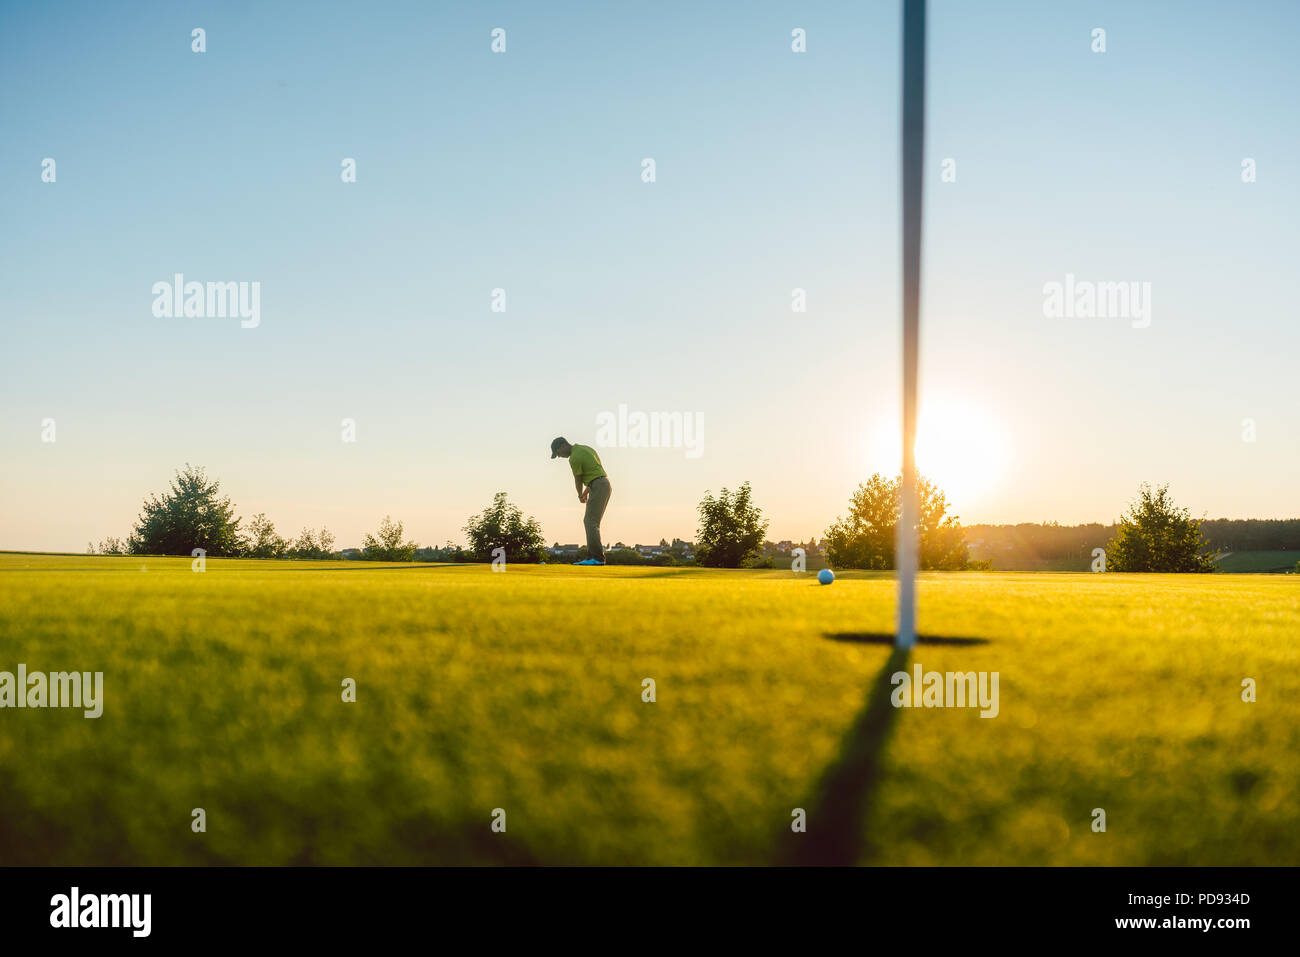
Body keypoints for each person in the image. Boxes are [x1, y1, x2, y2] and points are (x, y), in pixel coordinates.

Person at [550, 436, 611, 565]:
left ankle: (597, 559)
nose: (559, 456)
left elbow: (578, 479)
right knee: (591, 522)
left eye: (558, 453)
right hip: (602, 484)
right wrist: (585, 493)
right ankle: (592, 558)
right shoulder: (586, 449)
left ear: (563, 446)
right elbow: (595, 474)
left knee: (590, 521)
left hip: (599, 486)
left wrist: (579, 495)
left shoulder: (574, 458)